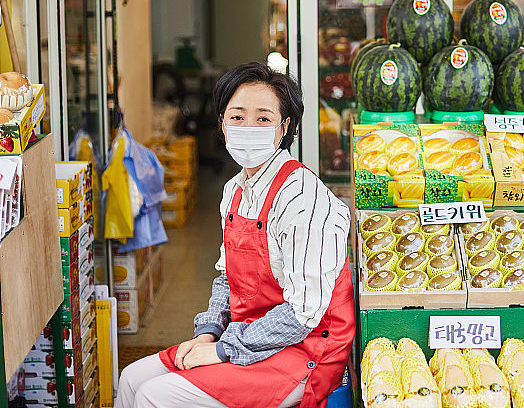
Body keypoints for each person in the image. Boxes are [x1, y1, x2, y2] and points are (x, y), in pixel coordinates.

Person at [116, 63, 356, 408]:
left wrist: (221, 350)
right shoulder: (235, 191)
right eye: (237, 116)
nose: (248, 127)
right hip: (248, 335)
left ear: (283, 127)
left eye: (263, 118)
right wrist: (208, 332)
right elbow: (227, 277)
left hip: (305, 349)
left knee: (156, 396)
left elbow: (304, 314)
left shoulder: (304, 198)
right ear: (222, 125)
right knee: (131, 378)